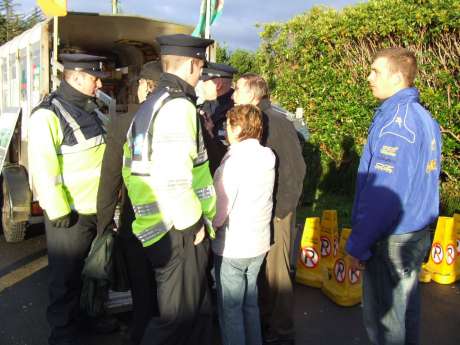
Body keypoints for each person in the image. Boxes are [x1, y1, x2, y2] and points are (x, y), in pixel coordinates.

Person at [121, 34, 216, 345]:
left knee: (193, 315)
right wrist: (194, 225)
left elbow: (131, 169)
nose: (202, 74)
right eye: (201, 67)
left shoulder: (151, 105)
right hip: (179, 232)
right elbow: (174, 178)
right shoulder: (178, 107)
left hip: (160, 229)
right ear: (191, 63)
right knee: (176, 321)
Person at [345, 47, 441, 345]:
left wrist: (357, 246)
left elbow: (385, 197)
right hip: (415, 231)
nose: (369, 77)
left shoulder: (397, 126)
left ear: (398, 77)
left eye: (376, 71)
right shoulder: (425, 118)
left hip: (392, 238)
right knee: (406, 313)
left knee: (385, 323)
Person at [28, 54, 116, 345]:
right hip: (71, 215)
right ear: (76, 77)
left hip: (96, 210)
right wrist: (58, 210)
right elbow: (43, 168)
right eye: (95, 77)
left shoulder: (92, 109)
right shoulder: (48, 114)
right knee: (65, 279)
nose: (99, 82)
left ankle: (89, 320)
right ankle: (64, 333)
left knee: (92, 274)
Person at [232, 73, 306, 345]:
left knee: (278, 276)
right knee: (265, 274)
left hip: (277, 213)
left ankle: (282, 334)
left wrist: (280, 212)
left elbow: (296, 170)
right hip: (263, 213)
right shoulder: (258, 120)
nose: (232, 95)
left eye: (237, 89)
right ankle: (267, 326)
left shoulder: (274, 122)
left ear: (254, 94)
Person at [96, 60, 162, 345]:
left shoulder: (124, 122)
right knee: (166, 289)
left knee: (141, 288)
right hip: (171, 222)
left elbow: (110, 178)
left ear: (145, 87)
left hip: (136, 222)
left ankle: (140, 334)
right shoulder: (180, 116)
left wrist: (103, 224)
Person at [212, 104, 275, 345]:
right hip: (258, 243)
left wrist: (208, 229)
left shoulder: (232, 164)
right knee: (250, 303)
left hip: (233, 246)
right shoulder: (267, 157)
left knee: (231, 311)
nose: (226, 130)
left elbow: (220, 210)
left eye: (228, 125)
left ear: (237, 127)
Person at [197, 62, 237, 174]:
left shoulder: (236, 112)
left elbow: (229, 153)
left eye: (205, 82)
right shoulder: (205, 106)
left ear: (218, 84)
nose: (202, 87)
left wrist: (210, 133)